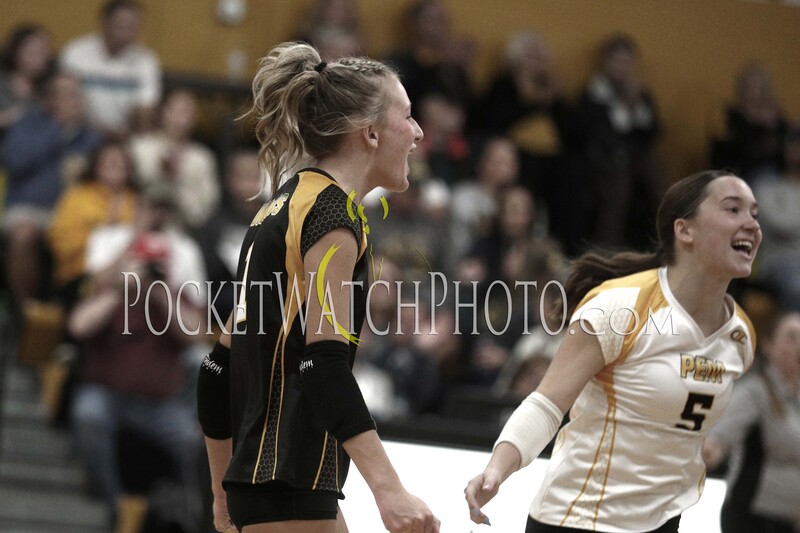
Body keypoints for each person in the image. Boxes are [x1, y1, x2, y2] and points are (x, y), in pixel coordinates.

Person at [196, 42, 440, 533]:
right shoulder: (332, 217)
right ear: (370, 132)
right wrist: (389, 490)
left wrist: (224, 495)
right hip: (291, 481)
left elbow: (217, 369)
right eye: (408, 116)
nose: (417, 133)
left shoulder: (279, 208)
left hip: (271, 484)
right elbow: (322, 365)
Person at [465, 169, 761, 533]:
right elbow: (546, 404)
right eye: (733, 209)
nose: (751, 224)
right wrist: (497, 469)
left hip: (663, 524)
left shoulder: (740, 336)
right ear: (685, 230)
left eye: (755, 214)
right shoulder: (621, 307)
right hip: (581, 519)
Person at [702, 310, 800, 533]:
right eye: (791, 337)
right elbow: (718, 439)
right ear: (768, 345)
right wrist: (710, 449)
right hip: (752, 518)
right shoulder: (754, 391)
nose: (799, 345)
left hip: (789, 521)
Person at [60, 0, 161, 138]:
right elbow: (63, 104)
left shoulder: (146, 61)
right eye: (121, 25)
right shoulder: (75, 53)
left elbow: (146, 109)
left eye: (132, 26)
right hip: (79, 132)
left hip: (125, 136)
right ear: (104, 22)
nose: (126, 32)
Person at [0, 23, 53, 137]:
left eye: (44, 52)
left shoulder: (49, 87)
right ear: (15, 52)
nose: (40, 58)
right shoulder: (2, 82)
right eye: (33, 52)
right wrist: (12, 117)